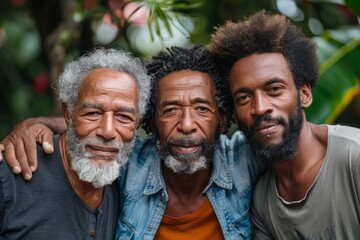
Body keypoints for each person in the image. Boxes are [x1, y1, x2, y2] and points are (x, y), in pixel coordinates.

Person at [0, 46, 264, 239]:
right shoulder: (126, 166)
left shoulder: (246, 160)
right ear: (151, 122)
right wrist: (35, 125)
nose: (186, 124)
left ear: (223, 119)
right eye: (170, 110)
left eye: (202, 109)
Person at [208, 10, 360, 239]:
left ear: (305, 95)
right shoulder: (262, 201)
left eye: (274, 90)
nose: (259, 107)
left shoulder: (354, 158)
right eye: (243, 97)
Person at [0, 48, 151, 239]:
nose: (108, 131)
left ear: (137, 124)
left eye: (124, 117)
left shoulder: (127, 183)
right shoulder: (12, 174)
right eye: (92, 113)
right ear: (67, 114)